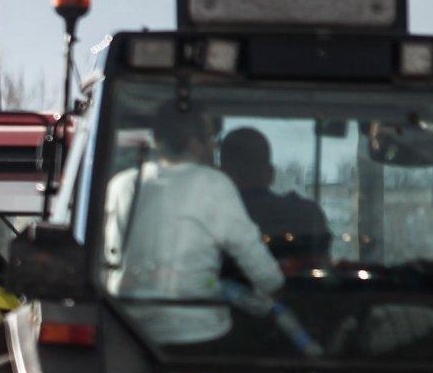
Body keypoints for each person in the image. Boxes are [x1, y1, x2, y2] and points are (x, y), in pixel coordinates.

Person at [103, 109, 283, 346]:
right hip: (198, 332)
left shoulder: (122, 185)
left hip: (130, 328)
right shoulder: (213, 184)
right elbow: (254, 259)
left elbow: (109, 256)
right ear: (197, 145)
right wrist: (275, 287)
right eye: (211, 140)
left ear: (156, 140)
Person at [217, 127, 332, 270]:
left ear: (222, 175)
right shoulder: (306, 215)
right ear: (270, 173)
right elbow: (322, 271)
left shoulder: (206, 218)